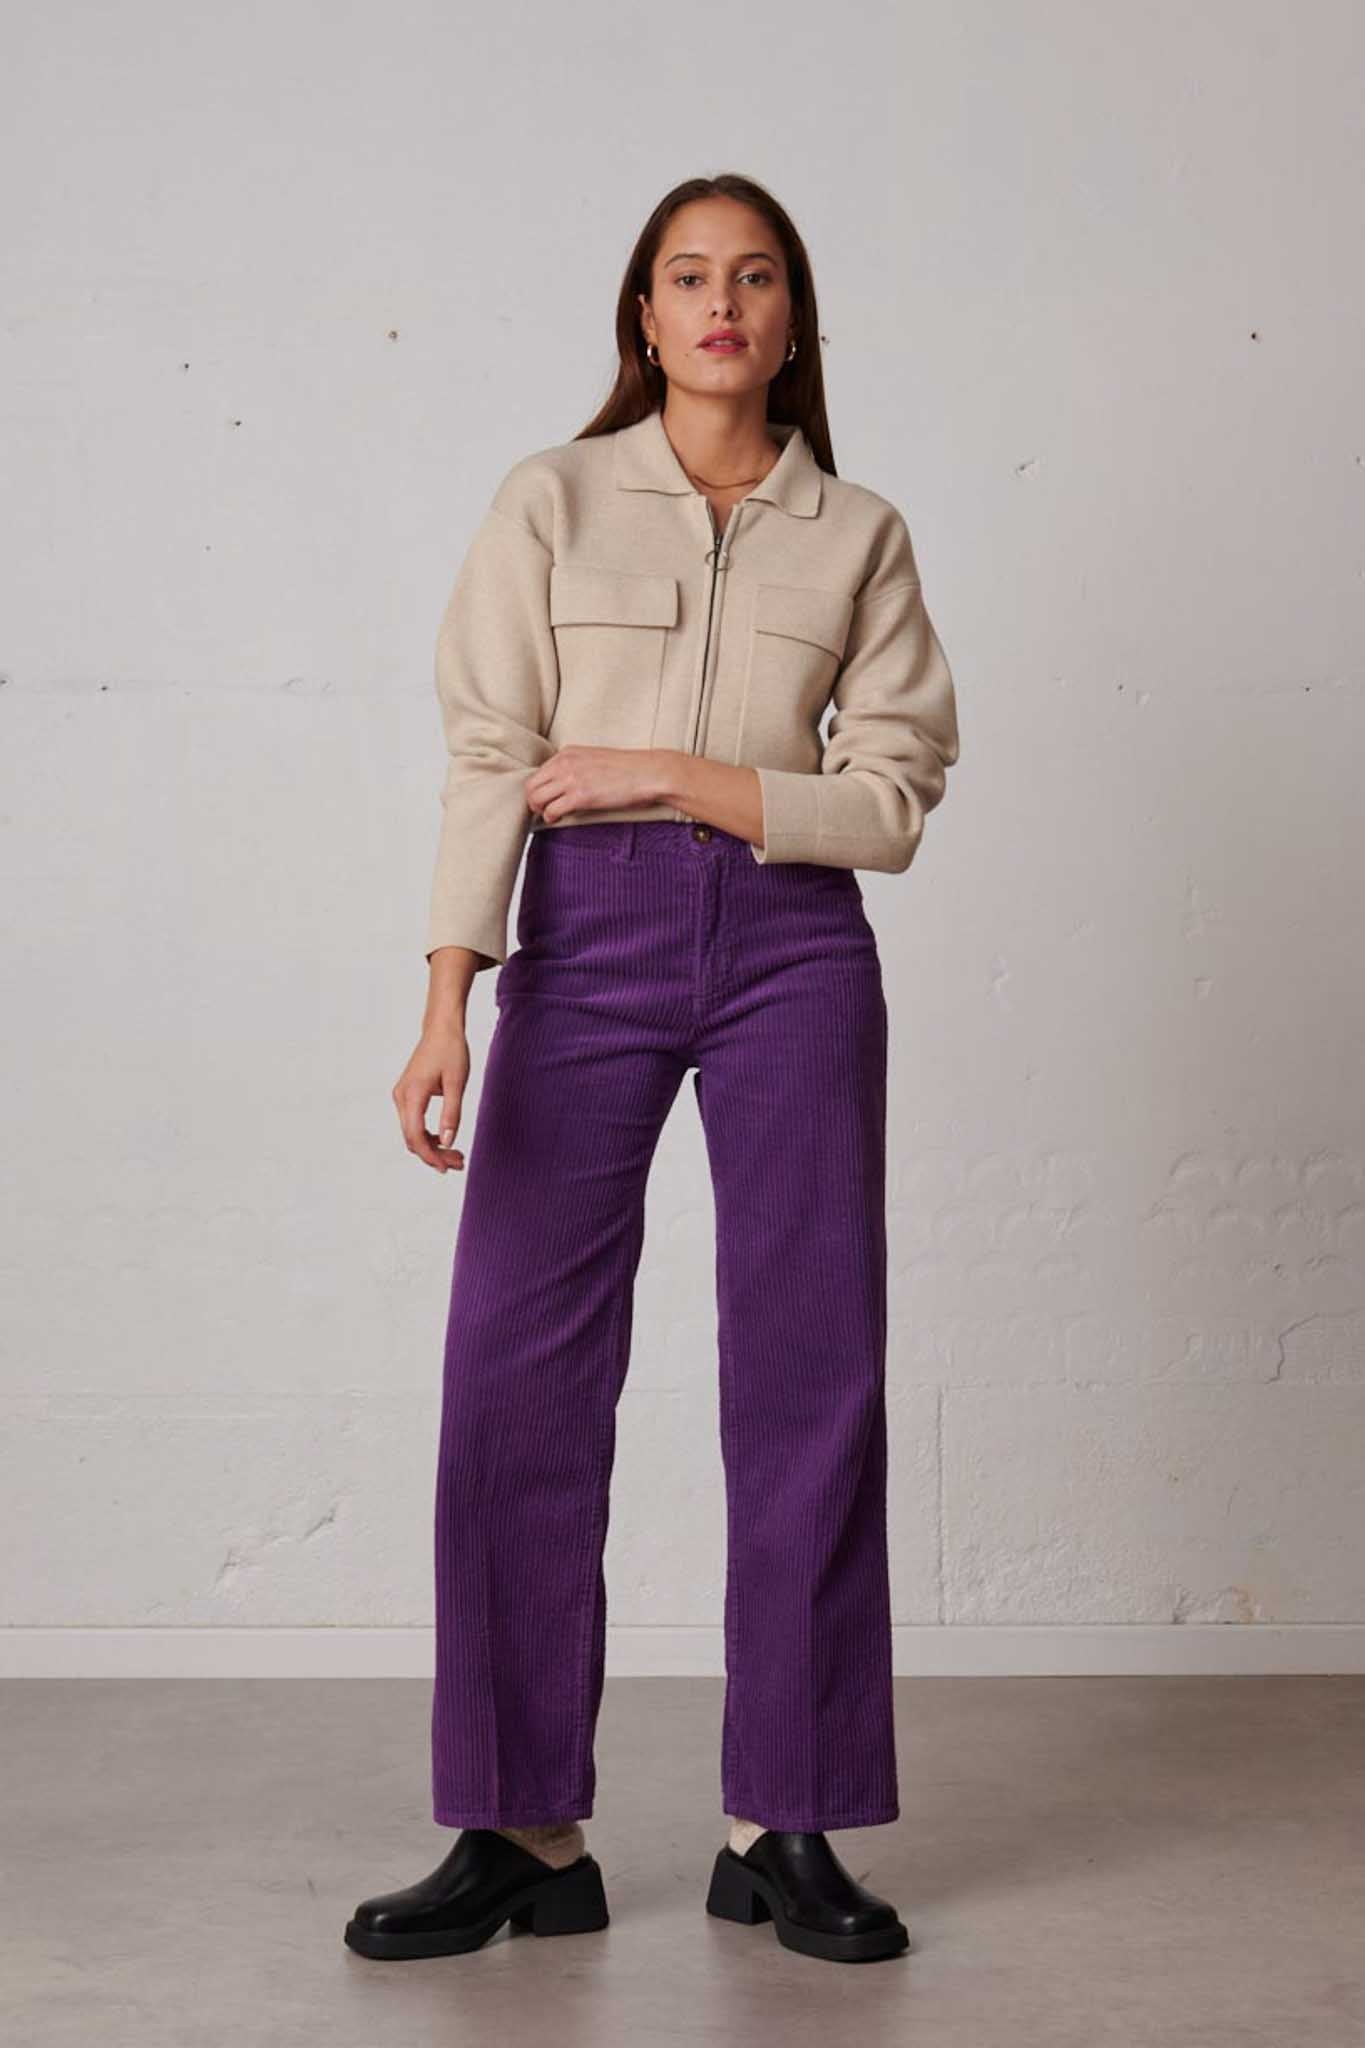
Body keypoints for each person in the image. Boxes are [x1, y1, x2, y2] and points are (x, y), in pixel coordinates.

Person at [344, 172, 959, 1968]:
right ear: (644, 315)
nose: (720, 304)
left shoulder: (857, 533)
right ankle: (520, 1829)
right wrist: (448, 998)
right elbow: (490, 752)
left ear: (791, 319)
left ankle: (788, 1822)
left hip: (793, 945)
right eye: (688, 277)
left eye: (753, 277)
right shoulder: (551, 499)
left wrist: (681, 778)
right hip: (585, 946)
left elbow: (894, 796)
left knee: (810, 1373)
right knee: (514, 1372)